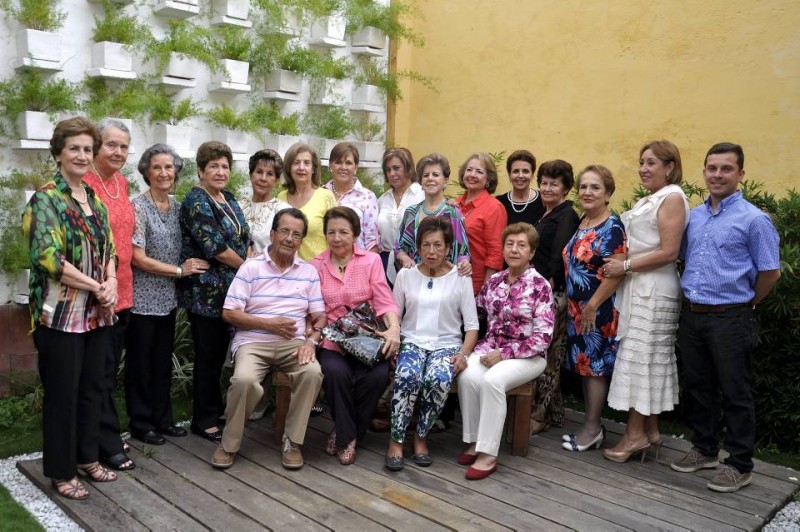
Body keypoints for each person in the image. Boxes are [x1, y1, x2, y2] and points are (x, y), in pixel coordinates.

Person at [670, 142, 780, 493]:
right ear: (704, 172)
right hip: (693, 316)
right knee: (699, 387)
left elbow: (770, 273)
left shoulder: (754, 220)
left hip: (731, 317)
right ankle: (704, 449)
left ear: (741, 174)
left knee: (736, 392)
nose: (717, 175)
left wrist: (746, 304)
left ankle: (739, 464)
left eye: (726, 169)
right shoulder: (695, 216)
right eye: (712, 168)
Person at [23, 116, 119, 500]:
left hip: (96, 314)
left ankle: (86, 457)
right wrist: (98, 285)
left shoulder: (93, 198)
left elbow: (109, 247)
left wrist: (111, 281)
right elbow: (47, 257)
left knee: (93, 387)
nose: (82, 155)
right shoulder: (46, 199)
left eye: (87, 149)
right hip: (59, 316)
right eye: (74, 148)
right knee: (63, 393)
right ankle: (61, 471)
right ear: (59, 153)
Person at [211, 208, 326, 471]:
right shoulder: (251, 268)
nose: (289, 238)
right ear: (272, 234)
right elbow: (229, 313)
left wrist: (312, 341)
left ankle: (292, 442)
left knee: (312, 373)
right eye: (284, 231)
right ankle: (228, 443)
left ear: (301, 240)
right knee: (244, 381)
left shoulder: (308, 272)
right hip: (253, 342)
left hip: (294, 344)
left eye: (296, 234)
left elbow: (320, 317)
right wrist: (269, 324)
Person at [602, 141, 689, 463]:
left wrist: (624, 266)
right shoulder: (652, 199)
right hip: (642, 287)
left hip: (654, 290)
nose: (643, 168)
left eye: (652, 162)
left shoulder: (672, 198)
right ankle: (651, 432)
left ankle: (634, 435)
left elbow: (669, 251)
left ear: (669, 166)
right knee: (645, 360)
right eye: (641, 162)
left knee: (642, 361)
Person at [457, 223, 554, 480]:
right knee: (467, 376)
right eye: (510, 244)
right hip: (490, 348)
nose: (514, 250)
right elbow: (476, 315)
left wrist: (504, 353)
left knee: (492, 381)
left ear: (532, 252)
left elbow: (543, 338)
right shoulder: (495, 281)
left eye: (521, 245)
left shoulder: (540, 286)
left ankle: (488, 454)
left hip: (529, 355)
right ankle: (475, 440)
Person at [125, 144, 208, 446]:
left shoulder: (178, 206)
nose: (163, 173)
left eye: (169, 167)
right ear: (146, 171)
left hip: (167, 300)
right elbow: (138, 257)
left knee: (161, 363)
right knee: (140, 365)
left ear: (176, 172)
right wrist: (178, 271)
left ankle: (163, 420)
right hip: (142, 298)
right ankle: (140, 423)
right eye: (157, 167)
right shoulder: (138, 207)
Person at [384, 217, 479, 471]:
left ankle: (421, 437)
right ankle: (396, 439)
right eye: (426, 245)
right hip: (412, 341)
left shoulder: (461, 277)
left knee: (438, 379)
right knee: (408, 376)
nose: (432, 251)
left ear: (448, 247)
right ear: (418, 247)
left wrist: (463, 354)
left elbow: (471, 326)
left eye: (438, 245)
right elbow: (394, 314)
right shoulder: (406, 276)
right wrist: (395, 340)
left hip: (447, 345)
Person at [312, 207, 401, 465]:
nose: (337, 237)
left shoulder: (370, 261)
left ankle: (343, 431)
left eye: (343, 232)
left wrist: (393, 329)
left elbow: (385, 301)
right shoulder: (317, 264)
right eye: (331, 232)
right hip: (333, 339)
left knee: (378, 375)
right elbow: (315, 309)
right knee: (334, 372)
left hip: (366, 339)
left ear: (355, 234)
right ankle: (349, 438)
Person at [179, 141, 250, 443]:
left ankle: (215, 408)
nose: (220, 172)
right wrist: (248, 269)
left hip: (229, 291)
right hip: (206, 293)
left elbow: (242, 236)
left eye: (225, 166)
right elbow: (216, 248)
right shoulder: (197, 201)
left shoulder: (227, 197)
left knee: (220, 354)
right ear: (200, 170)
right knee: (208, 356)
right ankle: (203, 419)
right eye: (213, 166)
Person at [81, 118, 135, 471]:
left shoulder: (121, 183)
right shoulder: (84, 185)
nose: (118, 152)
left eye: (124, 146)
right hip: (95, 293)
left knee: (109, 369)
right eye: (112, 145)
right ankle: (107, 443)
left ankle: (101, 436)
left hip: (125, 289)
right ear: (97, 146)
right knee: (98, 372)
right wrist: (104, 286)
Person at [561, 166, 627, 453]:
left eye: (595, 187)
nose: (587, 192)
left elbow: (617, 272)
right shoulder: (585, 220)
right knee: (584, 369)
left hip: (597, 310)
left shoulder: (611, 226)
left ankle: (592, 427)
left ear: (608, 193)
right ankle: (592, 425)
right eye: (584, 187)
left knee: (595, 369)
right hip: (578, 310)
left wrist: (593, 305)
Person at [528, 160, 579, 434]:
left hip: (552, 294)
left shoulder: (566, 215)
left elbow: (559, 255)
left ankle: (539, 415)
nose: (547, 188)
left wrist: (547, 289)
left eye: (554, 184)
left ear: (566, 188)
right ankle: (554, 412)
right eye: (544, 182)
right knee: (547, 353)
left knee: (549, 356)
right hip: (538, 292)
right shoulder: (545, 213)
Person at [395, 153, 471, 276]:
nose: (430, 178)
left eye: (435, 175)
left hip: (445, 281)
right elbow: (399, 248)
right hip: (415, 278)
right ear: (421, 181)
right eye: (426, 175)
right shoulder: (410, 213)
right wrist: (405, 258)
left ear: (445, 181)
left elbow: (463, 252)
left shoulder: (453, 213)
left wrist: (464, 264)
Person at [455, 153, 508, 294]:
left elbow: (496, 253)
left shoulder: (494, 207)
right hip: (450, 281)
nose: (472, 175)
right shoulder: (454, 204)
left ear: (488, 180)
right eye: (469, 170)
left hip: (476, 285)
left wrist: (486, 290)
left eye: (479, 172)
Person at [277, 142, 336, 260]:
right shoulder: (280, 197)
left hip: (319, 270)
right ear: (289, 168)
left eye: (306, 163)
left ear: (313, 168)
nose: (301, 168)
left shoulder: (326, 196)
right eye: (296, 163)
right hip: (286, 271)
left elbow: (336, 235)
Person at [376, 147, 424, 285]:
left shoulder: (422, 195)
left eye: (396, 168)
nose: (392, 173)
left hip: (414, 261)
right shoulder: (382, 200)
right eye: (388, 169)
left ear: (408, 168)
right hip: (384, 261)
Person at [324, 142, 380, 253]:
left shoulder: (367, 197)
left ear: (356, 167)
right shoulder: (321, 193)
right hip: (324, 263)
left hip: (357, 262)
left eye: (348, 163)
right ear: (330, 165)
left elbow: (371, 240)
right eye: (338, 162)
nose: (343, 167)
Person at [238, 149, 290, 253]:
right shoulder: (237, 206)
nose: (263, 178)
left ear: (276, 180)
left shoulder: (284, 211)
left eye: (270, 174)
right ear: (251, 175)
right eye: (259, 172)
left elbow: (288, 250)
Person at [496, 149, 544, 226]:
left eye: (525, 171)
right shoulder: (499, 203)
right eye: (516, 171)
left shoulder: (543, 201)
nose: (520, 176)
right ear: (509, 175)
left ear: (532, 175)